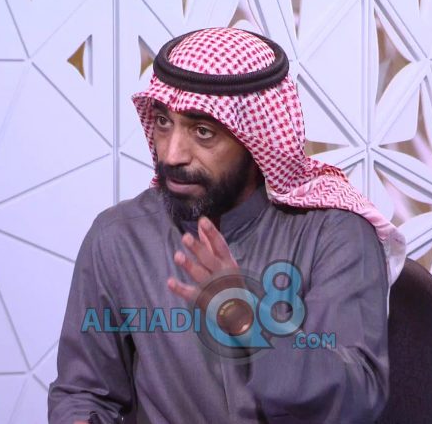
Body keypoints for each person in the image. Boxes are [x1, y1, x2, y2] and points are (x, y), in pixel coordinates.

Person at [48, 27, 406, 424]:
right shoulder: (119, 237)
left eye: (203, 132)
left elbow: (357, 398)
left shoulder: (335, 234)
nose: (172, 154)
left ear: (255, 141)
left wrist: (251, 321)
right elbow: (84, 393)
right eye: (163, 122)